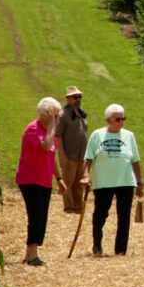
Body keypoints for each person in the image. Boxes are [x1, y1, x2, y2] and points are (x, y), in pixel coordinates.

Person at [79, 104, 144, 257]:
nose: (121, 122)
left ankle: (120, 250)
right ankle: (97, 244)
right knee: (100, 215)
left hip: (126, 181)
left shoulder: (129, 136)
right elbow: (88, 158)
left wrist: (139, 182)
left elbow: (135, 160)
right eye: (118, 119)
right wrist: (86, 175)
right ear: (108, 120)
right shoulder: (97, 135)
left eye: (123, 119)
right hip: (103, 182)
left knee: (124, 217)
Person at [15, 97, 67, 266]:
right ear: (45, 115)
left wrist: (59, 178)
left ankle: (31, 253)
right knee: (36, 216)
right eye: (55, 116)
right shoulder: (33, 129)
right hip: (30, 179)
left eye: (58, 116)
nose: (57, 119)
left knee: (42, 217)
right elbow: (45, 145)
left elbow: (52, 157)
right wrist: (52, 126)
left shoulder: (50, 132)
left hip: (44, 180)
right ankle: (32, 256)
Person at [55, 86, 89, 214]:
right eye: (75, 97)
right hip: (69, 154)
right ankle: (69, 206)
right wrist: (62, 155)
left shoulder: (81, 113)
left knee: (79, 182)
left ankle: (78, 206)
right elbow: (58, 136)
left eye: (79, 96)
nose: (78, 99)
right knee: (68, 182)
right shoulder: (63, 114)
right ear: (68, 99)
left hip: (81, 154)